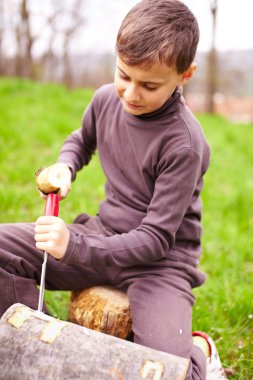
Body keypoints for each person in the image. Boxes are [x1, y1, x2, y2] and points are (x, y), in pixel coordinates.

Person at [0, 1, 227, 379]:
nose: (131, 93)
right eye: (124, 75)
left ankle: (202, 350)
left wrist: (74, 248)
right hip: (105, 234)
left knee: (169, 372)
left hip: (159, 266)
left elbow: (155, 239)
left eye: (149, 85)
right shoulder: (107, 98)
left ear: (185, 75)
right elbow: (81, 139)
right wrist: (65, 165)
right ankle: (29, 334)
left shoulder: (184, 144)